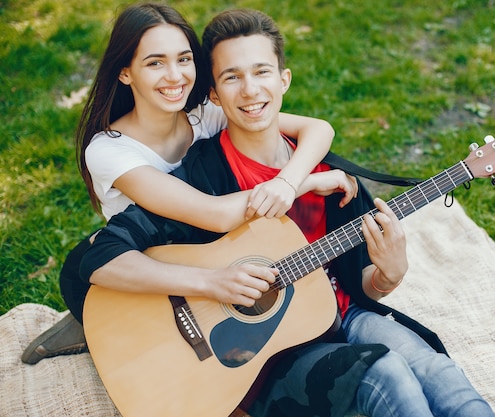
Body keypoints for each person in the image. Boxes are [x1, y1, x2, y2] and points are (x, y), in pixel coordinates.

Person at [78, 8, 495, 417]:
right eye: (231, 77)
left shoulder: (329, 175)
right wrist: (214, 281)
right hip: (259, 350)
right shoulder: (196, 175)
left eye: (261, 72)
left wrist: (389, 275)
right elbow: (100, 254)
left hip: (340, 312)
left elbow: (361, 283)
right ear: (215, 95)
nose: (249, 90)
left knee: (434, 368)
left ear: (284, 80)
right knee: (385, 373)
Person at [21, 3, 350, 365]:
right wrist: (309, 181)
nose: (175, 76)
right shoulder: (110, 150)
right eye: (155, 63)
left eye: (184, 59)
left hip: (209, 250)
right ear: (125, 73)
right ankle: (87, 324)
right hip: (149, 264)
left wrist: (288, 181)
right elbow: (214, 215)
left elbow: (319, 128)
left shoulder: (205, 115)